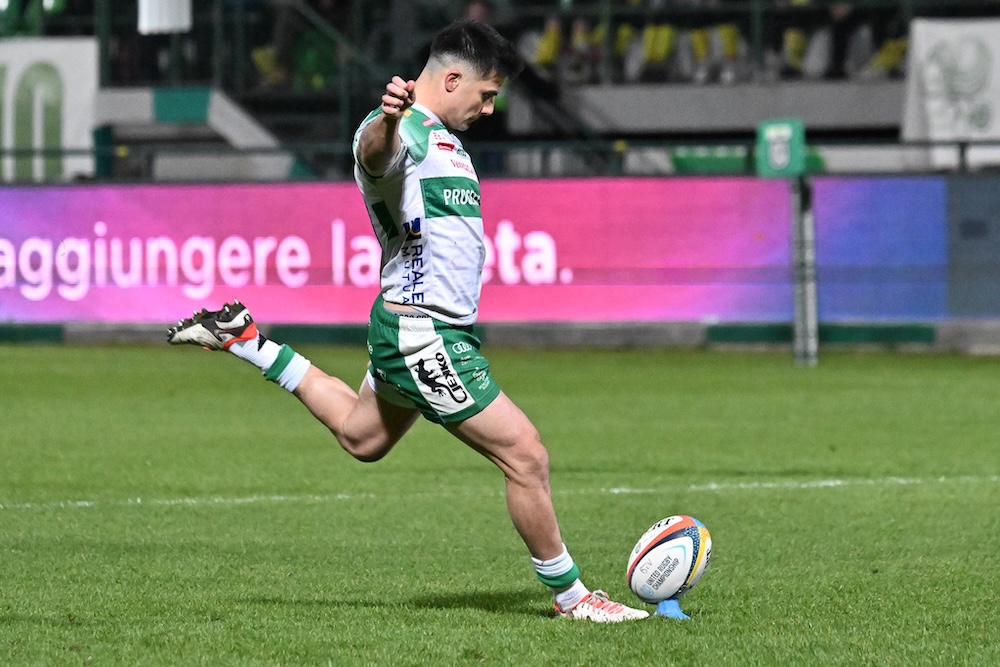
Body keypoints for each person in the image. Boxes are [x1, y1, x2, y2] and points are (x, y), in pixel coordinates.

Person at [168, 19, 648, 623]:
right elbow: (374, 154)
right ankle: (573, 599)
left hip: (419, 329)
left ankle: (247, 340)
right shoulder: (401, 132)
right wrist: (389, 119)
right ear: (451, 79)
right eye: (486, 94)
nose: (490, 109)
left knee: (362, 438)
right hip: (425, 333)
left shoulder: (445, 140)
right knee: (526, 456)